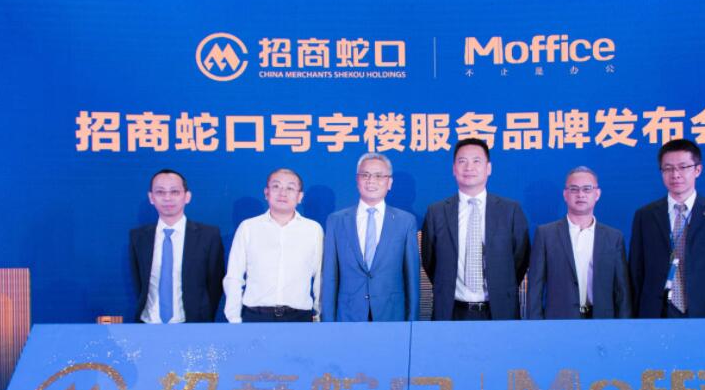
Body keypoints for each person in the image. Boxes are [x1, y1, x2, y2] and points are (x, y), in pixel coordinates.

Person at [629, 138, 705, 318]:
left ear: (698, 170)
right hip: (655, 314)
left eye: (683, 167)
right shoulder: (645, 216)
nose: (675, 174)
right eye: (668, 168)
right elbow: (636, 272)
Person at [421, 138, 530, 321]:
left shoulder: (510, 211)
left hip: (499, 311)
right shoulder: (436, 212)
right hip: (451, 311)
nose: (469, 167)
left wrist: (501, 287)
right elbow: (430, 261)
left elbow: (520, 260)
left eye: (476, 161)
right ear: (454, 169)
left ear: (489, 168)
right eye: (462, 161)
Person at [321, 153, 420, 322]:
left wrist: (412, 322)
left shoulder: (405, 221)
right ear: (357, 180)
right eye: (365, 175)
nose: (371, 181)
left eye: (379, 176)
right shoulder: (337, 221)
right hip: (348, 315)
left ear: (389, 183)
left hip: (391, 314)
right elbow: (330, 276)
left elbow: (412, 277)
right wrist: (328, 323)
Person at [528, 167, 631, 319]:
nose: (581, 194)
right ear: (565, 194)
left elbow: (622, 291)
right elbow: (535, 287)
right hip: (559, 322)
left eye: (587, 189)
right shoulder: (545, 234)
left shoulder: (613, 237)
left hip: (602, 321)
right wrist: (536, 325)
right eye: (574, 189)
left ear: (597, 194)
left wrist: (623, 325)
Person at [223, 168, 323, 323]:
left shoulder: (313, 230)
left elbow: (320, 277)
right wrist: (234, 318)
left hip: (299, 318)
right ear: (266, 193)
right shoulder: (248, 228)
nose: (283, 193)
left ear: (300, 197)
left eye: (290, 188)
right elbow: (234, 276)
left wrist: (319, 314)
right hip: (255, 317)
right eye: (276, 186)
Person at [130, 169, 225, 323]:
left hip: (192, 326)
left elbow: (215, 284)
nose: (167, 198)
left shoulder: (208, 236)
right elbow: (139, 283)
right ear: (151, 198)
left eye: (174, 192)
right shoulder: (139, 237)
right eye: (160, 192)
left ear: (187, 196)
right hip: (148, 324)